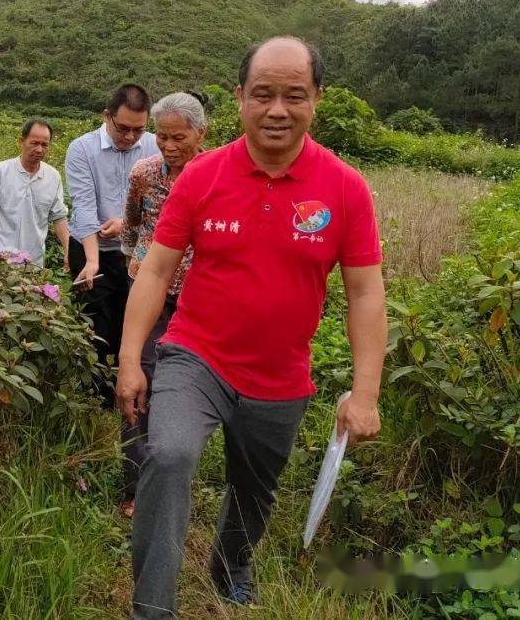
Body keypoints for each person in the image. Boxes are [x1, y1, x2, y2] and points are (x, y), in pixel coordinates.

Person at [116, 37, 387, 616]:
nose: (277, 110)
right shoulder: (201, 176)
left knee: (254, 493)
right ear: (240, 98)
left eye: (294, 95)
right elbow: (158, 269)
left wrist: (365, 393)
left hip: (281, 372)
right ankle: (152, 608)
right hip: (195, 355)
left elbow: (364, 293)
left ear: (316, 99)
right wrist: (130, 359)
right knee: (168, 455)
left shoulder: (345, 188)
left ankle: (230, 563)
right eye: (262, 94)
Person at [118, 92, 206, 519]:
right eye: (162, 136)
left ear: (200, 134)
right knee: (139, 381)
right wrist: (138, 265)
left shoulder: (214, 174)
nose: (169, 146)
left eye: (178, 137)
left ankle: (173, 478)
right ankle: (135, 487)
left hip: (196, 300)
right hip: (149, 292)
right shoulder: (143, 173)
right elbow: (131, 226)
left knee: (182, 390)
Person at [65, 84, 160, 405]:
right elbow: (84, 208)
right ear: (106, 116)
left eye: (139, 129)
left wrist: (127, 223)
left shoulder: (153, 147)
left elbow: (161, 202)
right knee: (96, 326)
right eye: (123, 128)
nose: (131, 137)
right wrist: (91, 261)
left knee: (130, 324)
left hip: (134, 253)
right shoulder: (82, 149)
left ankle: (126, 394)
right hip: (92, 250)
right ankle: (94, 401)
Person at [0, 119, 70, 267]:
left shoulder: (53, 177)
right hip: (0, 261)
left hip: (32, 264)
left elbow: (59, 217)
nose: (39, 149)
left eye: (45, 145)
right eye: (34, 143)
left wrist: (68, 251)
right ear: (21, 141)